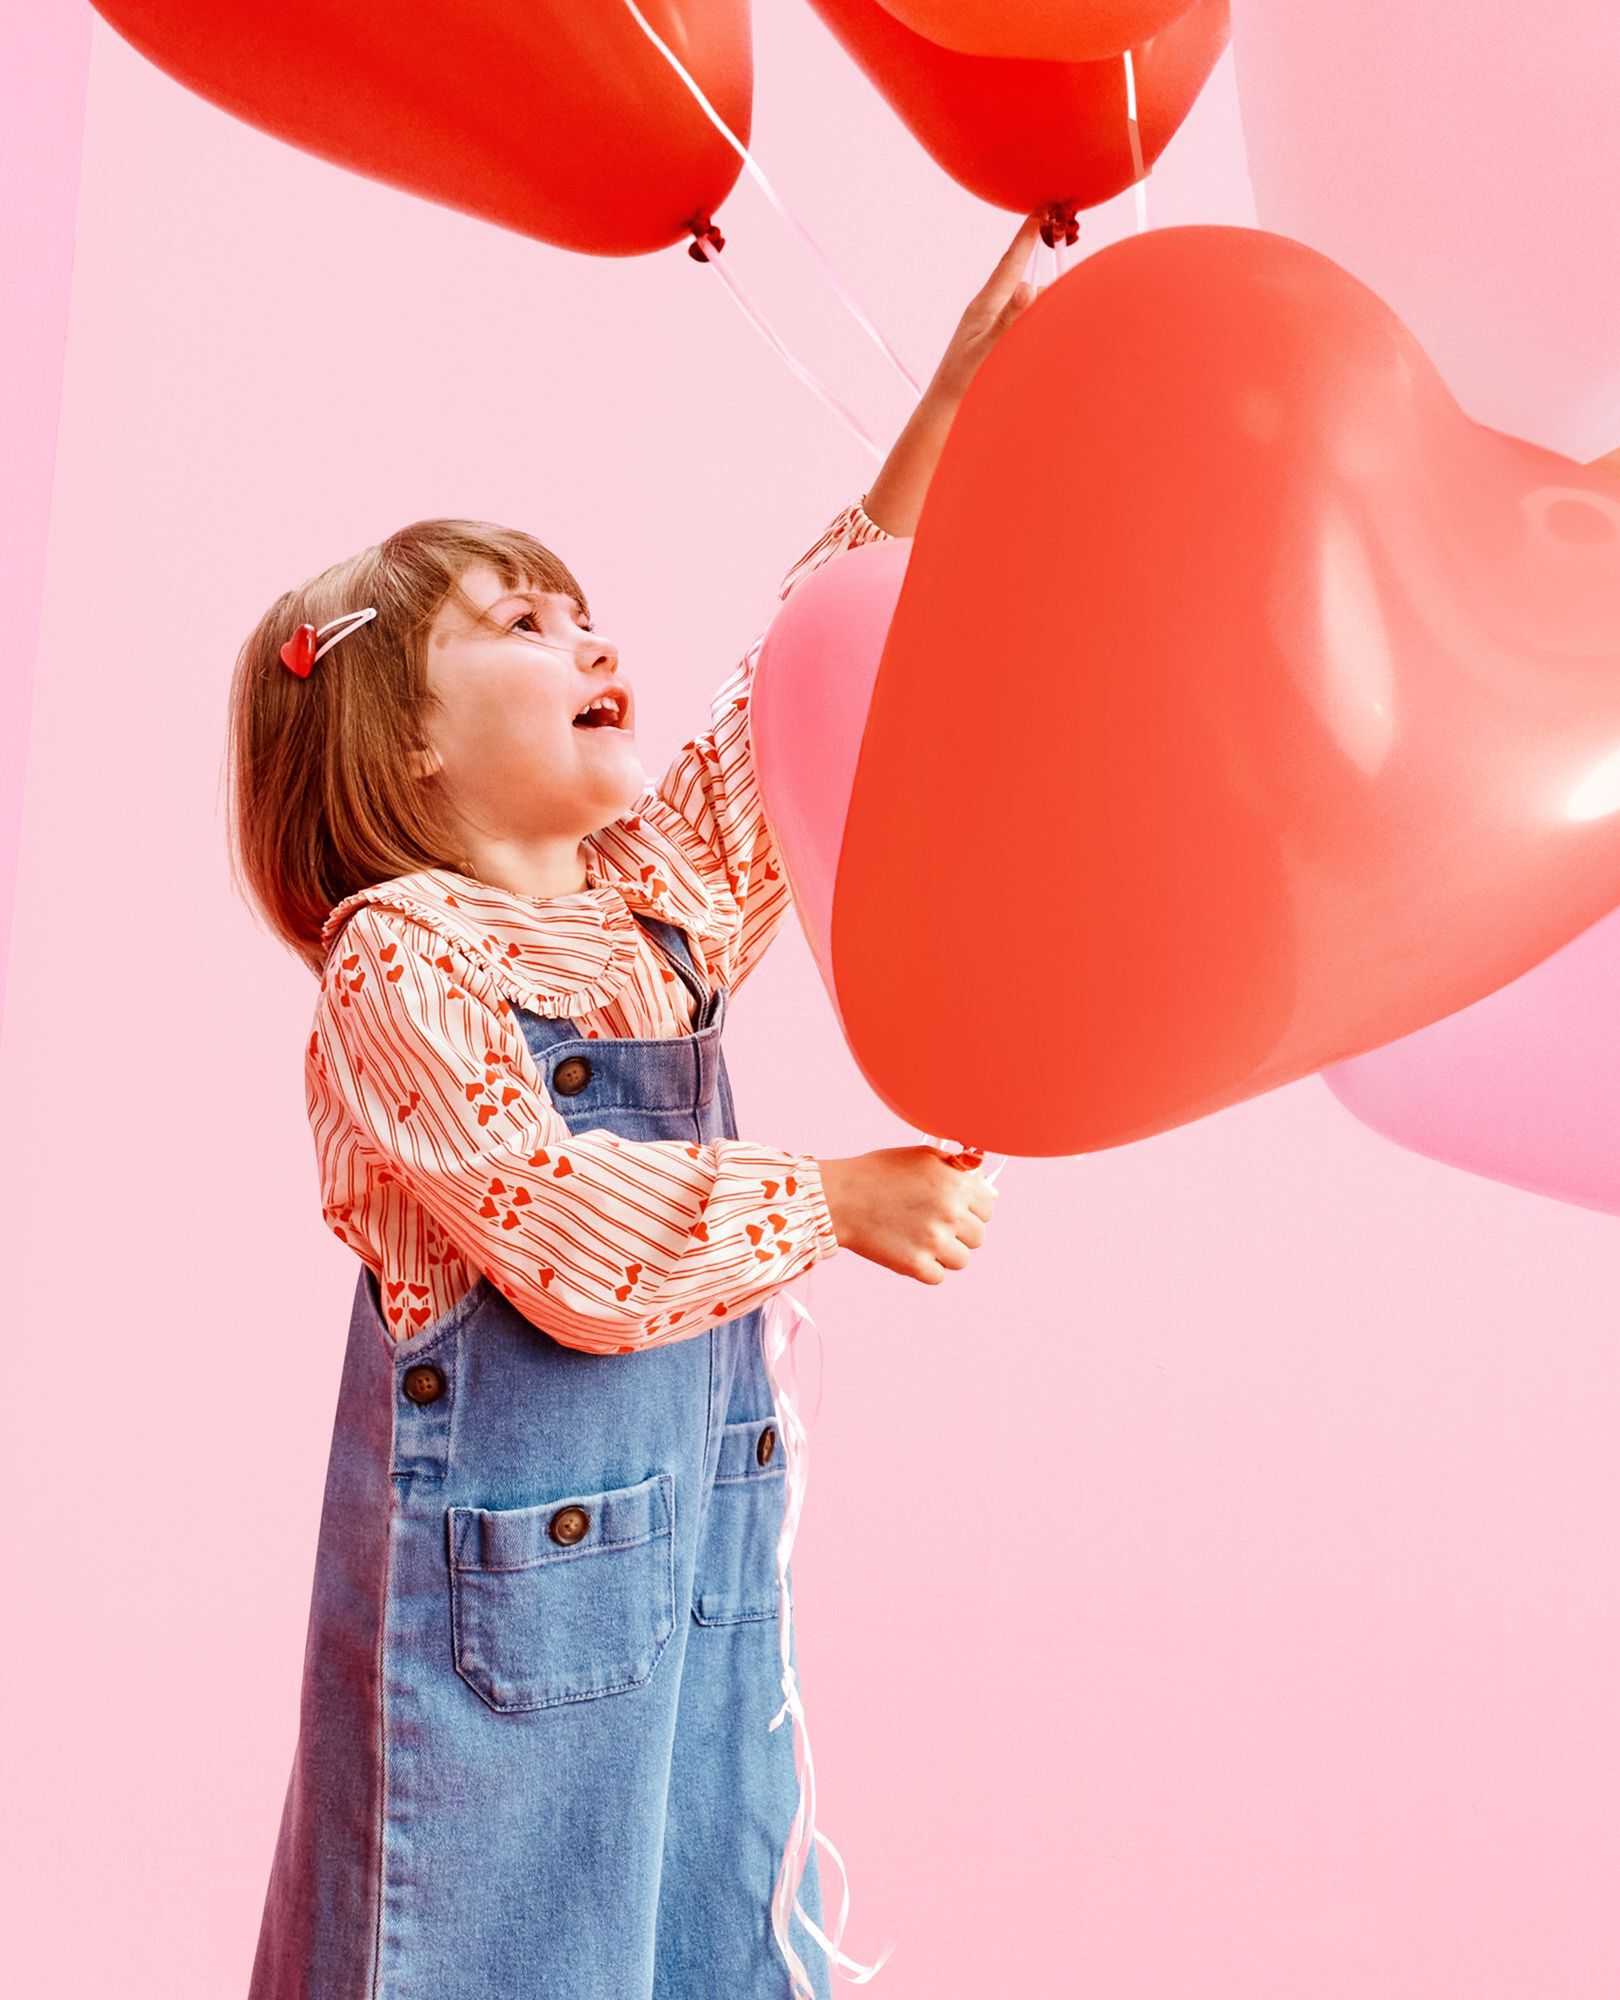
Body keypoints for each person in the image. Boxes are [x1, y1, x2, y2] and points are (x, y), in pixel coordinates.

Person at [227, 215, 1042, 2000]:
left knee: (689, 1942)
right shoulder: (402, 961)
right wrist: (828, 1200)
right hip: (499, 1644)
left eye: (581, 606)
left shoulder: (644, 909)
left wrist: (951, 413)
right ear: (403, 741)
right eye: (519, 621)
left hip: (677, 1600)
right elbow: (570, 1234)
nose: (584, 630)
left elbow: (781, 711)